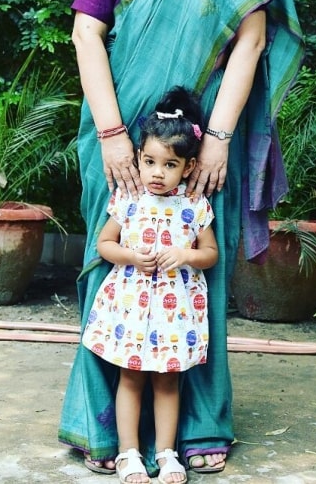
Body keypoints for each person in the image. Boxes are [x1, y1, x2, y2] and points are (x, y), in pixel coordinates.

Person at [58, 0, 304, 478]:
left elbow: (252, 41)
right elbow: (87, 34)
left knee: (196, 279)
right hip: (118, 146)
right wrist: (111, 135)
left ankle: (197, 427)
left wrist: (218, 139)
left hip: (194, 151)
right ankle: (104, 429)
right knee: (113, 276)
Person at [82, 86, 218, 484]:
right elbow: (104, 244)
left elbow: (210, 253)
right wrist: (130, 256)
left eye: (170, 164)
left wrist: (186, 255)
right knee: (130, 376)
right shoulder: (129, 198)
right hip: (131, 308)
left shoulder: (194, 205)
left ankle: (166, 453)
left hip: (174, 310)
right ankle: (127, 453)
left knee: (168, 379)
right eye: (150, 161)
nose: (157, 173)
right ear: (139, 158)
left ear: (188, 168)